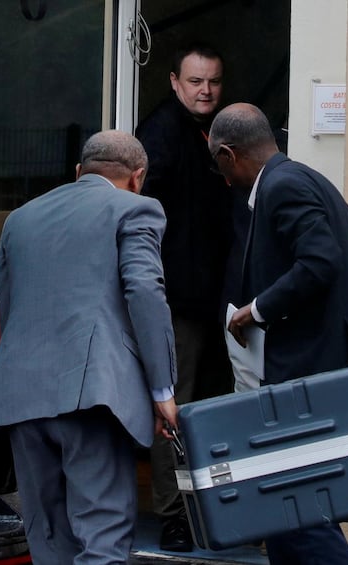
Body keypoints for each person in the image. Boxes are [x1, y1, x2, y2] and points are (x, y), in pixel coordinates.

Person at [0, 130, 178, 564]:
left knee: (48, 539)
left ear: (78, 172)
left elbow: (7, 303)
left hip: (19, 393)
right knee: (103, 537)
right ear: (138, 176)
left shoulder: (20, 218)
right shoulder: (137, 208)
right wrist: (162, 390)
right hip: (92, 396)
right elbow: (144, 293)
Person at [210, 102, 348, 565]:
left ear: (229, 155)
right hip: (325, 362)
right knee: (289, 508)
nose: (226, 182)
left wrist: (255, 311)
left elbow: (321, 262)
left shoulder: (282, 186)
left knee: (295, 508)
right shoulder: (303, 178)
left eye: (221, 168)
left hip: (312, 368)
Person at [135, 41, 234, 551]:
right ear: (175, 82)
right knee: (173, 409)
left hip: (212, 301)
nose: (205, 90)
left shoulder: (211, 133)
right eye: (196, 81)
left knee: (207, 406)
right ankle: (174, 515)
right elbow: (143, 219)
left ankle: (207, 508)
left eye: (213, 81)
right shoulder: (162, 134)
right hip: (177, 302)